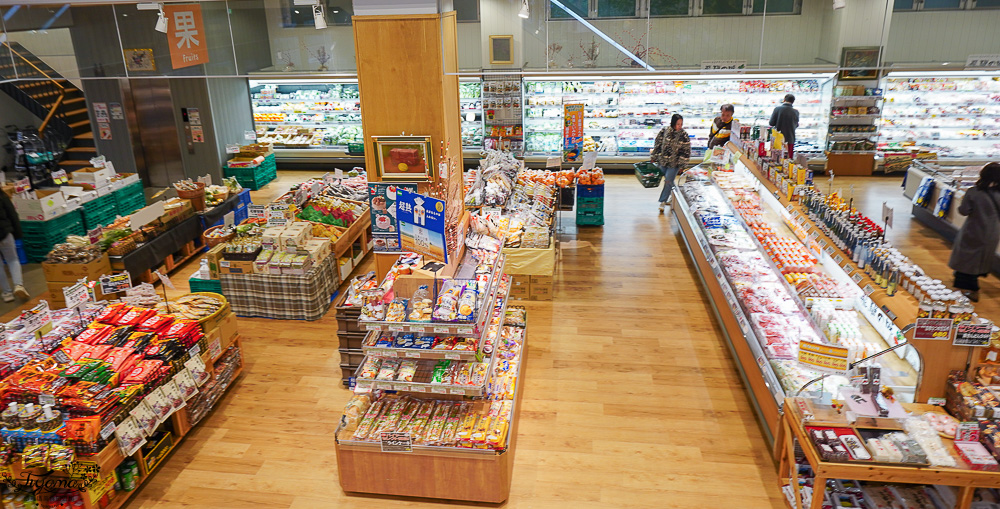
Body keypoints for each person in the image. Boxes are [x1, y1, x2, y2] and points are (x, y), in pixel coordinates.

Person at [948, 162, 1000, 302]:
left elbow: (964, 210)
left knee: (966, 260)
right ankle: (967, 286)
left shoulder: (974, 192)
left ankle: (969, 290)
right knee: (978, 260)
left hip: (974, 230)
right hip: (992, 232)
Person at [650, 113, 691, 213]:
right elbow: (658, 144)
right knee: (669, 181)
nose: (680, 126)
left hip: (674, 163)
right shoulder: (665, 131)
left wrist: (682, 165)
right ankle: (676, 195)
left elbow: (686, 150)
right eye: (678, 124)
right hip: (663, 161)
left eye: (681, 124)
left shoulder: (683, 135)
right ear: (673, 123)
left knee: (668, 181)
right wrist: (654, 156)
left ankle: (662, 202)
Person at [0, 192, 27, 302]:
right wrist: (17, 234)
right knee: (13, 259)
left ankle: (7, 293)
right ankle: (18, 285)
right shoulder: (2, 196)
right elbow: (12, 214)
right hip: (4, 232)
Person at [769, 94, 799, 158]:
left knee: (776, 158)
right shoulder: (796, 112)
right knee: (787, 160)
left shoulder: (777, 109)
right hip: (790, 138)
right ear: (793, 101)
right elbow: (796, 125)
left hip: (778, 139)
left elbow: (771, 123)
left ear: (784, 100)